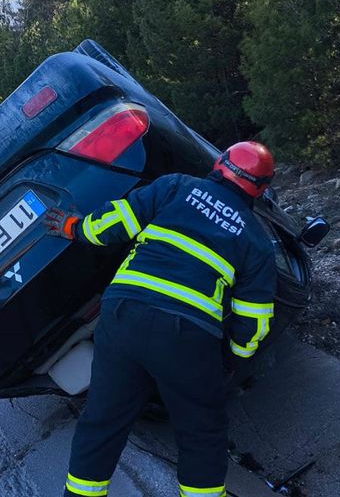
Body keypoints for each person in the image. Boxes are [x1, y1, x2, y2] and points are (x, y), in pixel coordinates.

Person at [45, 141, 277, 497]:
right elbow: (254, 321)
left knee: (103, 421)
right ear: (261, 189)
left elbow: (111, 224)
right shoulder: (255, 241)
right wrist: (229, 359)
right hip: (187, 336)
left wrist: (72, 227)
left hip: (123, 315)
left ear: (220, 164)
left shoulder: (176, 186)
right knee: (201, 434)